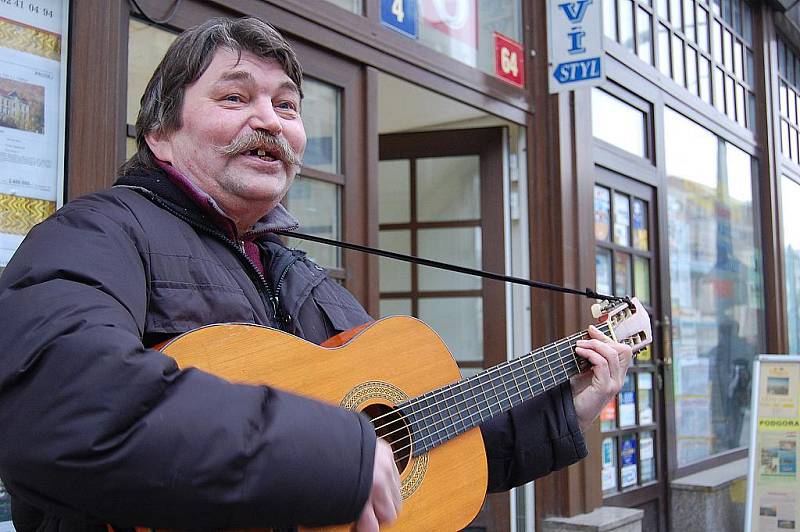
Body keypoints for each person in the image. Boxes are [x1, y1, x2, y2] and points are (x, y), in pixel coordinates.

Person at [0, 16, 632, 532]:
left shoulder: (301, 273)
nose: (271, 121)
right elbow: (58, 408)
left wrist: (562, 414)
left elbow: (411, 455)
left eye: (287, 106)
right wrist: (338, 457)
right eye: (235, 96)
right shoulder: (95, 233)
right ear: (160, 132)